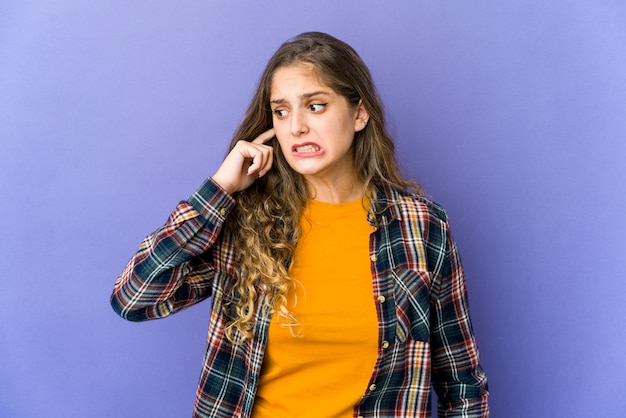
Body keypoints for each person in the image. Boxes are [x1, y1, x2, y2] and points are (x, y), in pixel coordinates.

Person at [111, 31, 489, 417]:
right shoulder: (244, 222)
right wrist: (219, 189)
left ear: (359, 113)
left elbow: (462, 384)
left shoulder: (421, 226)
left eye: (316, 106)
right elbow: (134, 299)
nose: (296, 127)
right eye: (281, 111)